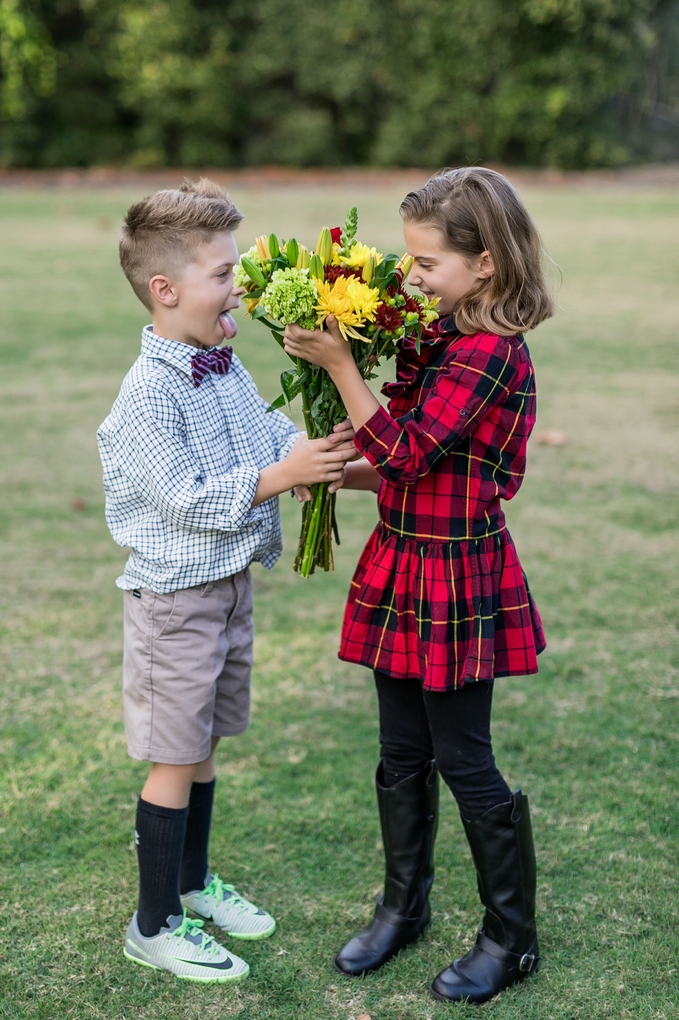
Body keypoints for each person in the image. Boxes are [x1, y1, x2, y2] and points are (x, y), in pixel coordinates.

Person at [283, 166, 554, 1004]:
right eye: (408, 262)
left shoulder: (489, 355)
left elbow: (410, 452)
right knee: (401, 750)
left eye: (426, 264)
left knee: (463, 756)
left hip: (457, 574)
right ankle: (405, 906)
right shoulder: (440, 339)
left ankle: (511, 938)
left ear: (487, 265)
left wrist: (339, 367)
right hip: (404, 559)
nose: (411, 279)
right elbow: (408, 468)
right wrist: (338, 473)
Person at [97, 178, 354, 984]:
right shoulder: (147, 397)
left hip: (227, 589)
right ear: (165, 290)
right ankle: (154, 924)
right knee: (173, 757)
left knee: (202, 746)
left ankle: (191, 883)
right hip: (175, 604)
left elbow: (266, 432)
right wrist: (282, 476)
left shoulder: (222, 363)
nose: (238, 286)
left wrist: (315, 456)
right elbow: (186, 498)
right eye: (223, 273)